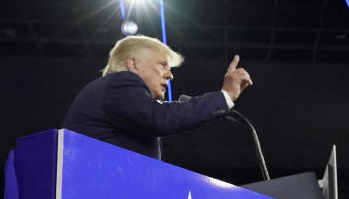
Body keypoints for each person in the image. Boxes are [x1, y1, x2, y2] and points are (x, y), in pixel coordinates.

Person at [62, 35, 253, 159]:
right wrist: (225, 95)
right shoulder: (121, 82)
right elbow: (159, 118)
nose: (170, 75)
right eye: (162, 64)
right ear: (133, 65)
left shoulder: (113, 95)